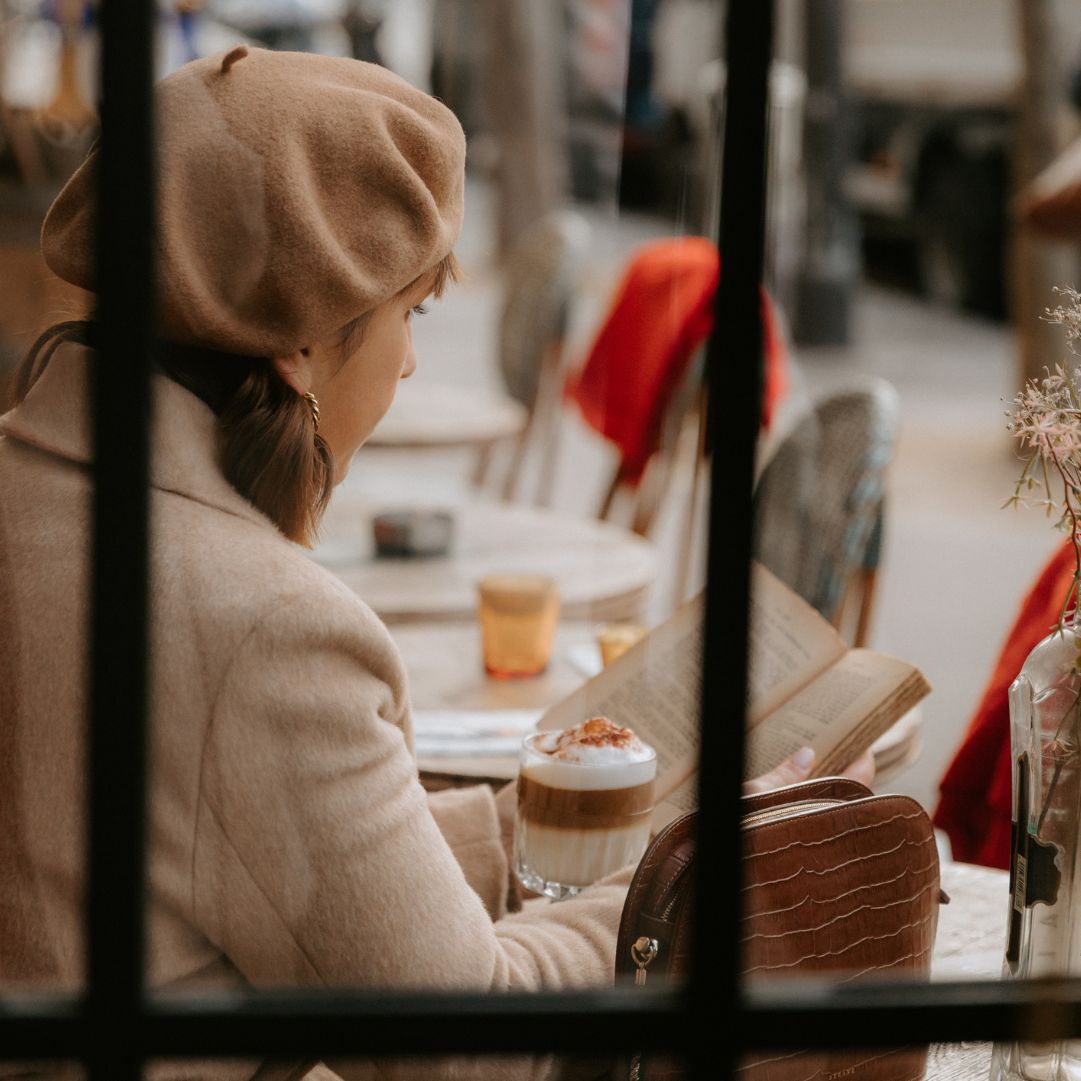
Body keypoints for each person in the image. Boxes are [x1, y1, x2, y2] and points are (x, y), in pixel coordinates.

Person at [0, 46, 870, 1081]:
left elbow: (240, 852)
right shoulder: (265, 628)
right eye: (409, 312)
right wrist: (692, 877)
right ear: (301, 345)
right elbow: (472, 1044)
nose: (410, 359)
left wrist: (525, 825)